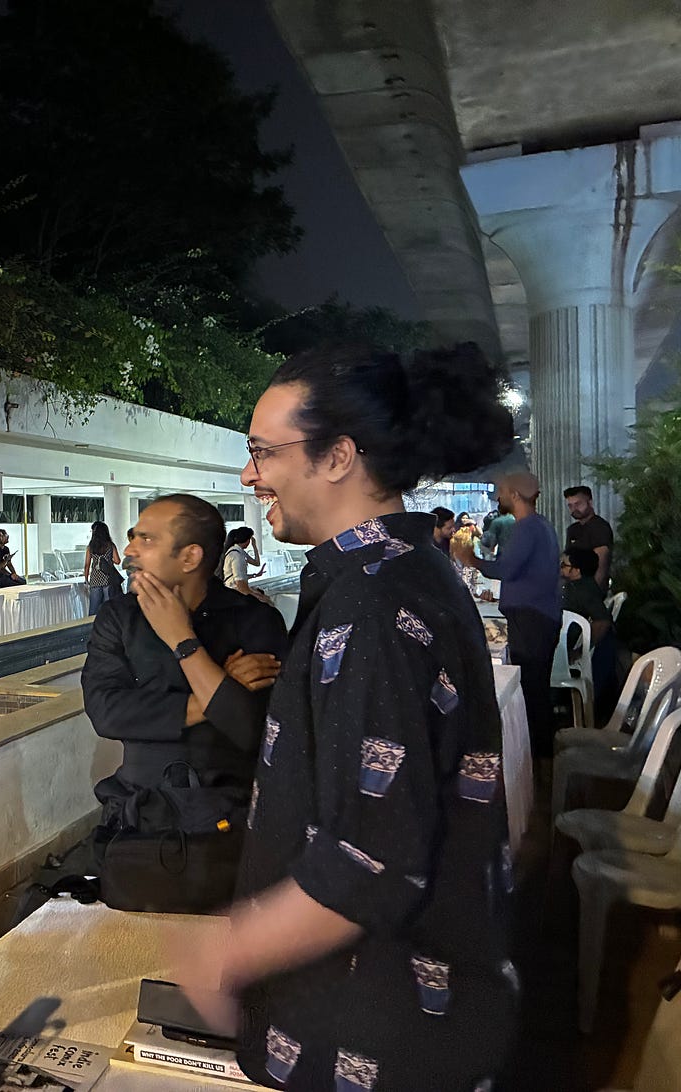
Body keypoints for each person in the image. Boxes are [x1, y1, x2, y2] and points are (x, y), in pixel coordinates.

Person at [171, 343, 517, 1091]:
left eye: (263, 452)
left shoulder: (371, 606)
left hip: (372, 1029)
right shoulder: (407, 570)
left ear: (336, 457)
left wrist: (227, 953)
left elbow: (370, 863)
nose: (249, 475)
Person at [82, 495, 285, 836]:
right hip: (139, 814)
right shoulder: (119, 617)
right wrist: (216, 690)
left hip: (234, 817)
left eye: (146, 539)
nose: (129, 551)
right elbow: (106, 712)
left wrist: (181, 639)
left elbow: (250, 727)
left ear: (190, 556)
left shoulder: (254, 620)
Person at [456, 472, 562, 757]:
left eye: (502, 490)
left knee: (531, 691)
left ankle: (537, 759)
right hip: (538, 616)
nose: (498, 496)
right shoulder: (539, 526)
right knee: (536, 689)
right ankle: (541, 757)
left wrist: (471, 560)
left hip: (532, 619)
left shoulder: (527, 528)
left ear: (515, 494)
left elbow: (506, 569)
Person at [560, 546, 620, 723]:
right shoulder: (581, 586)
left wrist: (581, 651)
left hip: (564, 648)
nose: (560, 568)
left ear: (576, 570)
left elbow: (603, 621)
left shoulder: (582, 591)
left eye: (564, 565)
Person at [564, 485, 614, 591]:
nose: (574, 509)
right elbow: (566, 560)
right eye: (570, 506)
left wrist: (592, 593)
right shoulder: (572, 529)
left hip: (590, 590)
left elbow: (601, 565)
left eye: (578, 504)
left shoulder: (599, 527)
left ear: (590, 503)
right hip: (573, 589)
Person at [220, 527, 271, 603]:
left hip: (234, 590)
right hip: (235, 592)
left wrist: (254, 547)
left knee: (264, 597)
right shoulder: (237, 555)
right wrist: (257, 596)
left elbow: (256, 563)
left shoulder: (239, 552)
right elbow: (240, 583)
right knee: (267, 601)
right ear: (247, 540)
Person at [83, 521, 122, 614]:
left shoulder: (91, 547)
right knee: (108, 609)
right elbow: (117, 561)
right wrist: (108, 561)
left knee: (93, 609)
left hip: (95, 580)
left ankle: (92, 623)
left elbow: (87, 565)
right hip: (108, 579)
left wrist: (86, 579)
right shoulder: (110, 545)